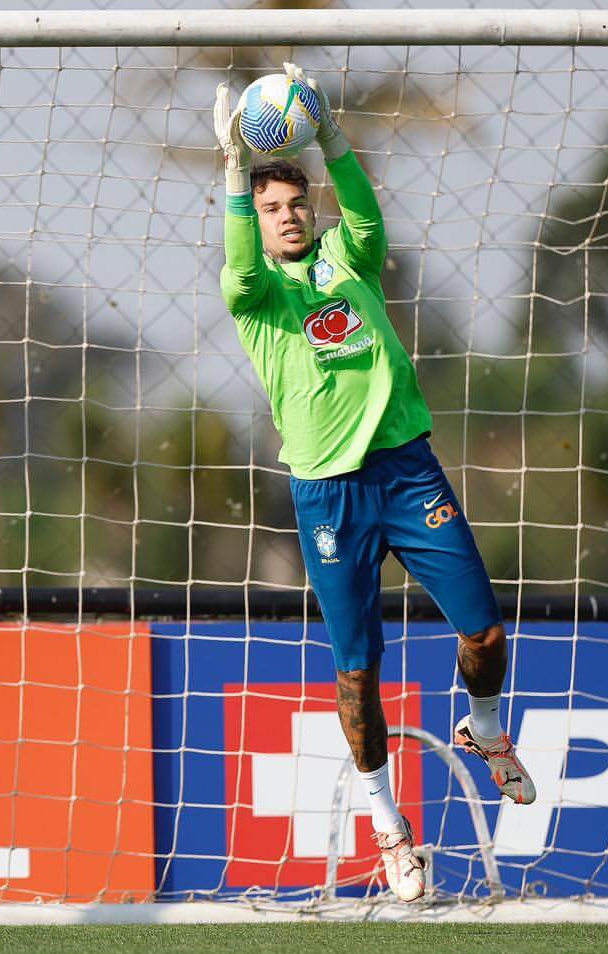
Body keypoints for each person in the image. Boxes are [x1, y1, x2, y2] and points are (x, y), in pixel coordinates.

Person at [213, 64, 535, 903]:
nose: (287, 219)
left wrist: (328, 139)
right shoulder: (251, 295)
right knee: (358, 670)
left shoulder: (348, 257)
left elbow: (364, 211)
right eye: (272, 209)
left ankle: (486, 728)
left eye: (296, 206)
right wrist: (231, 177)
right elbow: (241, 255)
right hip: (328, 493)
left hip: (405, 470)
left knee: (486, 631)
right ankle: (392, 832)